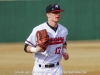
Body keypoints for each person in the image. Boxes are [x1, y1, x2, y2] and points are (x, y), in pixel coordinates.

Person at [24, 4, 69, 75]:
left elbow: (64, 43)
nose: (58, 14)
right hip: (40, 70)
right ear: (48, 15)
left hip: (57, 69)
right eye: (55, 12)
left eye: (59, 12)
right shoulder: (38, 29)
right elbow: (26, 47)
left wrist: (64, 51)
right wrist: (36, 49)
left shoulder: (64, 30)